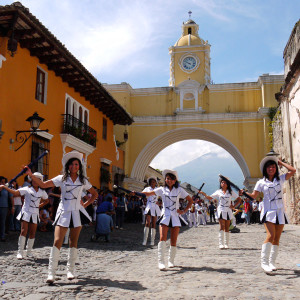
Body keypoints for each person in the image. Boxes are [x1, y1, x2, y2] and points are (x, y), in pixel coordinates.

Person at [24, 151, 98, 283]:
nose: (75, 166)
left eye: (77, 164)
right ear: (68, 166)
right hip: (63, 212)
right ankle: (51, 273)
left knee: (73, 242)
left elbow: (94, 194)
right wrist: (30, 175)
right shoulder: (61, 178)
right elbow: (43, 185)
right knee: (57, 240)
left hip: (76, 212)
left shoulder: (83, 181)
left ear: (79, 167)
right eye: (72, 164)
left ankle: (70, 270)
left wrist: (85, 204)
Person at [242, 156, 295, 273]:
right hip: (268, 212)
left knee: (277, 238)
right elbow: (254, 196)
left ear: (276, 168)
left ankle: (272, 262)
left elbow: (293, 171)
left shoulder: (280, 179)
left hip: (280, 211)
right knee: (270, 236)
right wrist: (244, 193)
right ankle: (264, 262)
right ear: (265, 169)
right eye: (269, 167)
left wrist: (280, 162)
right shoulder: (261, 182)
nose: (271, 169)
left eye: (273, 167)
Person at [137, 169, 193, 270]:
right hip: (165, 215)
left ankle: (171, 261)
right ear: (165, 180)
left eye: (171, 179)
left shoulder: (180, 190)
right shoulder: (161, 189)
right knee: (162, 238)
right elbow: (149, 194)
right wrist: (137, 193)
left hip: (175, 216)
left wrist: (183, 211)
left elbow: (190, 200)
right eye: (167, 179)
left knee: (174, 240)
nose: (169, 181)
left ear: (175, 180)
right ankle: (161, 262)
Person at [0, 173, 48, 258]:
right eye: (33, 179)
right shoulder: (26, 189)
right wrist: (4, 187)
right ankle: (20, 252)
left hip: (35, 213)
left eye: (37, 179)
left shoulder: (42, 192)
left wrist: (39, 206)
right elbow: (15, 193)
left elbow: (47, 200)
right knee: (23, 231)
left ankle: (29, 251)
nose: (34, 181)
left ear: (40, 181)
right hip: (26, 212)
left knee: (33, 233)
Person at [200, 176, 242, 249]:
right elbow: (210, 197)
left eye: (225, 182)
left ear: (228, 184)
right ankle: (221, 243)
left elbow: (239, 199)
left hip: (228, 210)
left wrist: (234, 206)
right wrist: (203, 193)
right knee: (222, 226)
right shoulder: (218, 192)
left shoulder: (230, 192)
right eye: (222, 182)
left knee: (227, 227)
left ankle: (226, 244)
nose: (223, 184)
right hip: (221, 210)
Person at [142, 177, 161, 246]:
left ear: (156, 183)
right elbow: (142, 194)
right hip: (149, 206)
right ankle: (145, 240)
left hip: (155, 206)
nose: (152, 183)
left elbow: (163, 197)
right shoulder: (147, 189)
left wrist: (160, 203)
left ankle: (152, 241)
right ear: (149, 183)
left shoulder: (158, 189)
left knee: (153, 224)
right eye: (151, 182)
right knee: (147, 223)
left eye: (154, 182)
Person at [0, 176, 14, 241]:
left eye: (4, 182)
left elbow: (11, 198)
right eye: (1, 182)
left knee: (3, 222)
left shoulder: (6, 188)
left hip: (4, 207)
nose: (3, 183)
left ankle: (2, 236)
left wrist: (13, 207)